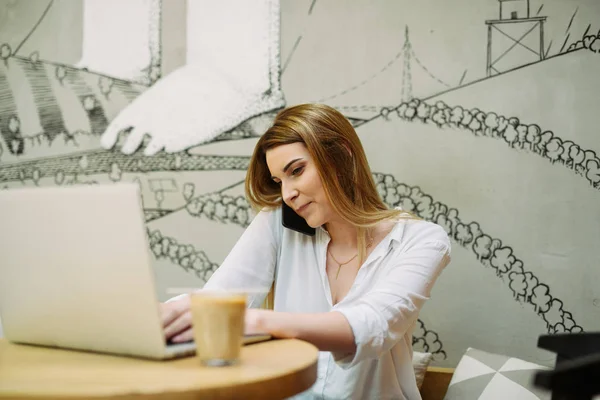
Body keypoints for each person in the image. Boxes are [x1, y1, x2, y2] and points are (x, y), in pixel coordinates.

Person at [160, 103, 451, 399]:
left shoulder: (422, 240)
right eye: (279, 181)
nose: (287, 194)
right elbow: (218, 297)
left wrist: (251, 321)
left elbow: (373, 325)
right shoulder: (278, 225)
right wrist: (160, 317)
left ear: (342, 155)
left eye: (296, 171)